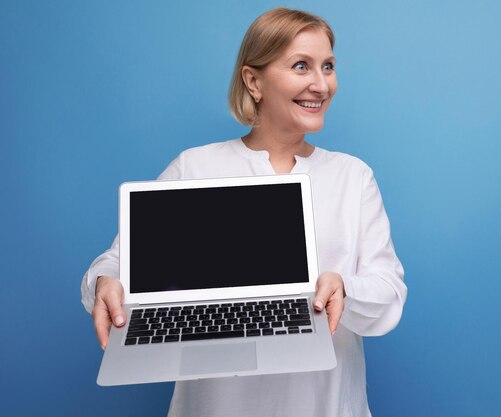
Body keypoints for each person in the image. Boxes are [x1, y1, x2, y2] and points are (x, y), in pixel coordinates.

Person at [81, 7, 407, 417]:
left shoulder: (353, 176)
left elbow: (389, 293)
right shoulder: (194, 168)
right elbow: (117, 262)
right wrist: (106, 282)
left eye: (328, 66)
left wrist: (344, 287)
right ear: (253, 81)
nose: (321, 84)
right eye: (301, 66)